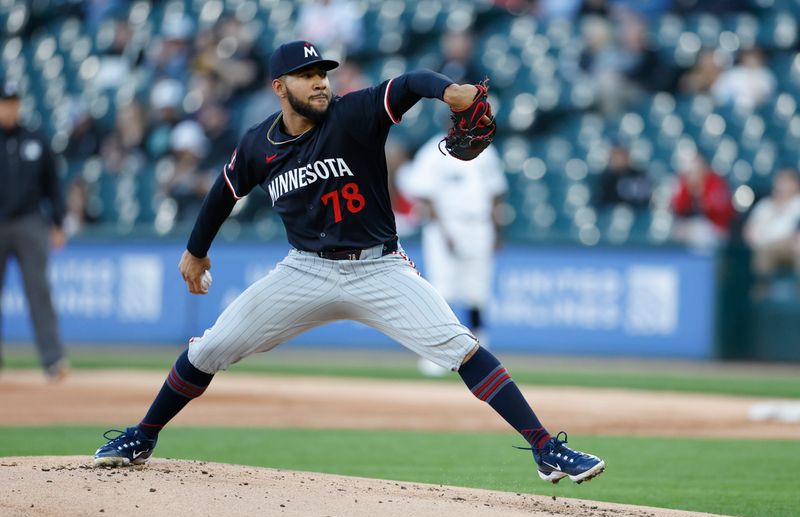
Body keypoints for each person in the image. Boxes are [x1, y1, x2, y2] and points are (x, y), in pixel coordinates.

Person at [93, 41, 605, 485]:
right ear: (279, 87)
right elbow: (223, 193)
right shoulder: (257, 144)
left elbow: (406, 84)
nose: (320, 83)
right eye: (308, 76)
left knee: (461, 348)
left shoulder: (352, 113)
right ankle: (143, 434)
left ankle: (544, 448)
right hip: (304, 270)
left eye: (323, 74)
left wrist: (447, 90)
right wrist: (195, 250)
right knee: (211, 348)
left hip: (379, 268)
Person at [400, 134, 507, 376]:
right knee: (442, 290)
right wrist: (444, 230)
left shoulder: (485, 150)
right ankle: (437, 354)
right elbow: (423, 195)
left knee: (477, 290)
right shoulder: (433, 150)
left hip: (480, 225)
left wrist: (497, 230)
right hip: (445, 226)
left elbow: (496, 192)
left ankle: (481, 349)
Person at [0, 80, 68, 380]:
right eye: (4, 103)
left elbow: (53, 185)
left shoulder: (36, 139)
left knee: (39, 292)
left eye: (12, 103)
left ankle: (52, 360)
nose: (8, 109)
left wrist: (57, 222)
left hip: (30, 222)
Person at [742, 168, 800, 295]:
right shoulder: (765, 205)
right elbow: (749, 231)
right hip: (766, 247)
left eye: (786, 181)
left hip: (792, 246)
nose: (782, 185)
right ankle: (762, 296)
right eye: (780, 181)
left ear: (795, 184)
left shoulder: (797, 203)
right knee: (763, 254)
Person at [670, 153, 734, 250]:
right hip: (691, 226)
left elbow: (720, 212)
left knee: (698, 232)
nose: (694, 172)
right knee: (678, 231)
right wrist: (689, 189)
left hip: (716, 227)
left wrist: (701, 192)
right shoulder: (686, 183)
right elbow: (678, 207)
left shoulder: (716, 183)